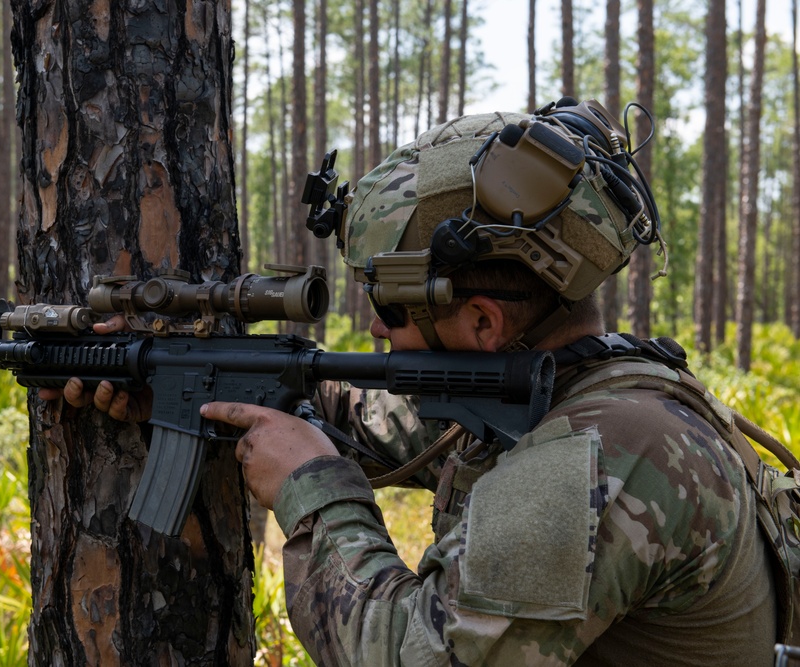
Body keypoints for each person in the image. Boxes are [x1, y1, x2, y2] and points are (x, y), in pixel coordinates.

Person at [42, 100, 779, 665]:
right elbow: (377, 419)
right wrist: (185, 385)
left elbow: (415, 651)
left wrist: (315, 490)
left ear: (484, 323)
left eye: (389, 309)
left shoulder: (604, 459)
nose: (373, 332)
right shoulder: (564, 381)